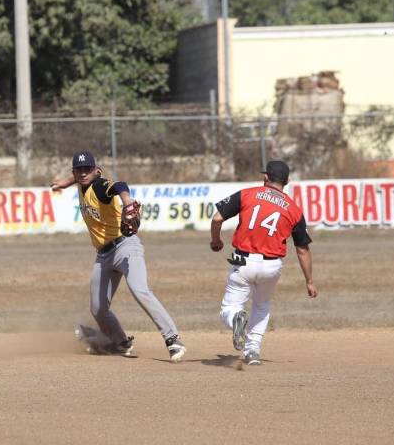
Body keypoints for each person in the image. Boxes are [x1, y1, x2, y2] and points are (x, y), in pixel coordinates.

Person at [51, 151, 186, 363]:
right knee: (97, 308)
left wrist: (127, 201)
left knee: (139, 289)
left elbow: (119, 185)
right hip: (103, 255)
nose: (84, 173)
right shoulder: (81, 182)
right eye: (79, 170)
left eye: (88, 169)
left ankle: (173, 338)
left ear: (97, 170)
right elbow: (78, 178)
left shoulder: (99, 186)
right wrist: (64, 184)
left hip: (125, 246)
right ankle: (121, 342)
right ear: (74, 172)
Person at [209, 160, 317, 366]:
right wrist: (309, 281)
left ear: (266, 177)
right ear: (287, 181)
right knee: (262, 305)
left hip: (243, 262)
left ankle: (235, 320)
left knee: (230, 308)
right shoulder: (294, 209)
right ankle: (252, 352)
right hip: (271, 266)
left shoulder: (247, 194)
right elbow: (302, 249)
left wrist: (216, 240)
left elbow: (216, 219)